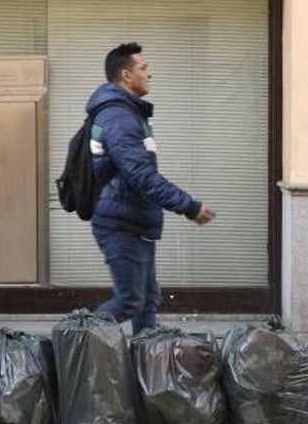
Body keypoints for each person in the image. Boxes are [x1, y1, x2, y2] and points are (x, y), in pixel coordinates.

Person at [86, 43, 215, 334]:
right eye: (143, 68)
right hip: (120, 223)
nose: (150, 74)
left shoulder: (129, 114)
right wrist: (190, 207)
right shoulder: (119, 118)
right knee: (130, 301)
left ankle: (146, 360)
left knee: (146, 302)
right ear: (126, 75)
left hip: (134, 220)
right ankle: (75, 338)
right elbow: (142, 177)